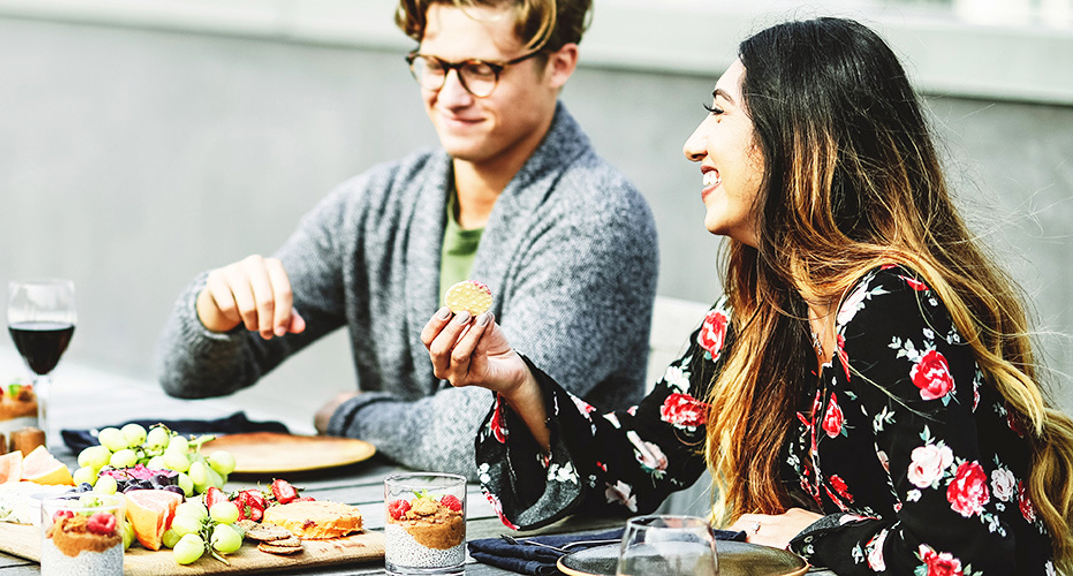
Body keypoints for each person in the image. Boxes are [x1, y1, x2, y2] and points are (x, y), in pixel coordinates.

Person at [425, 17, 1073, 575]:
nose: (692, 144)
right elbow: (636, 461)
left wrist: (809, 535)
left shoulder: (888, 308)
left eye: (718, 112)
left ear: (797, 137)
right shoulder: (758, 311)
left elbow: (962, 557)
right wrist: (515, 381)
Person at [156, 0, 657, 477]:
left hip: (548, 553)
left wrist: (349, 414)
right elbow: (187, 378)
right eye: (435, 64)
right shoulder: (379, 204)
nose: (452, 94)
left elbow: (476, 437)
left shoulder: (598, 217)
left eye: (483, 69)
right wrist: (214, 312)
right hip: (398, 527)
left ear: (559, 65)